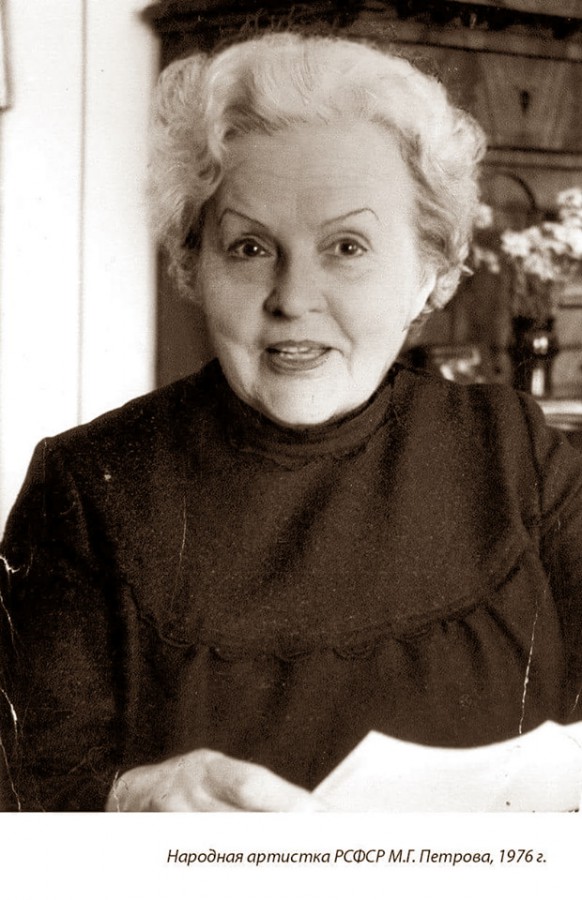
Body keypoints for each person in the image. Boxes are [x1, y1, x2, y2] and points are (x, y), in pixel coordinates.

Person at [2, 31, 582, 813]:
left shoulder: (517, 454)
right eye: (249, 247)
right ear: (193, 265)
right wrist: (126, 798)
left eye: (346, 246)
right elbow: (23, 802)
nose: (293, 297)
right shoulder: (86, 489)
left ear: (434, 274)